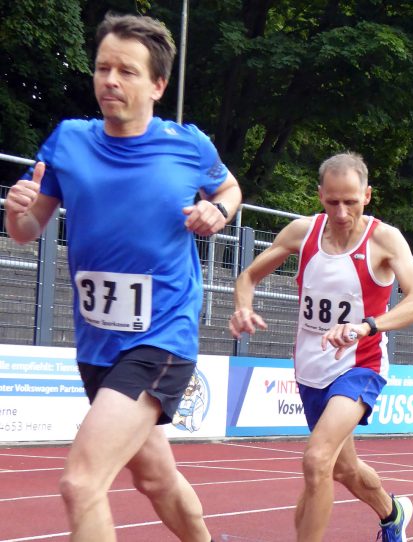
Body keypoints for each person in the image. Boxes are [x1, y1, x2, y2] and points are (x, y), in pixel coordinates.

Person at [3, 13, 242, 542]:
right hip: (97, 344)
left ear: (157, 85)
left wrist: (218, 212)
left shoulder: (188, 146)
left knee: (81, 482)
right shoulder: (68, 142)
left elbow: (230, 189)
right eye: (102, 68)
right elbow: (25, 229)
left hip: (161, 337)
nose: (110, 80)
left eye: (127, 71)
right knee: (155, 477)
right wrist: (15, 208)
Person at [229, 152, 413, 542]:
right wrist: (242, 307)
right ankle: (393, 514)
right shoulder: (301, 233)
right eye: (332, 201)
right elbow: (247, 277)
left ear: (367, 195)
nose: (341, 212)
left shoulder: (383, 239)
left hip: (361, 366)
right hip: (310, 369)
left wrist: (366, 326)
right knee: (343, 469)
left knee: (316, 460)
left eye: (351, 202)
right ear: (320, 195)